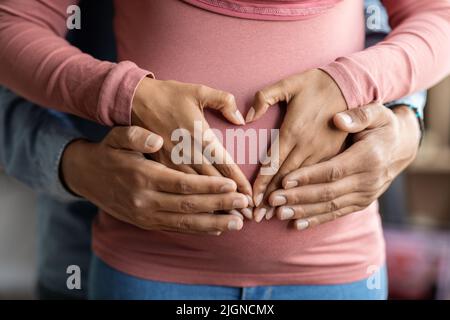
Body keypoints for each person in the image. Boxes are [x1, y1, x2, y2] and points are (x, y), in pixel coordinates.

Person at [0, 0, 445, 299]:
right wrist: (124, 95)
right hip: (149, 266)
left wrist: (368, 92)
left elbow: (436, 15)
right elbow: (11, 25)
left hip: (335, 267)